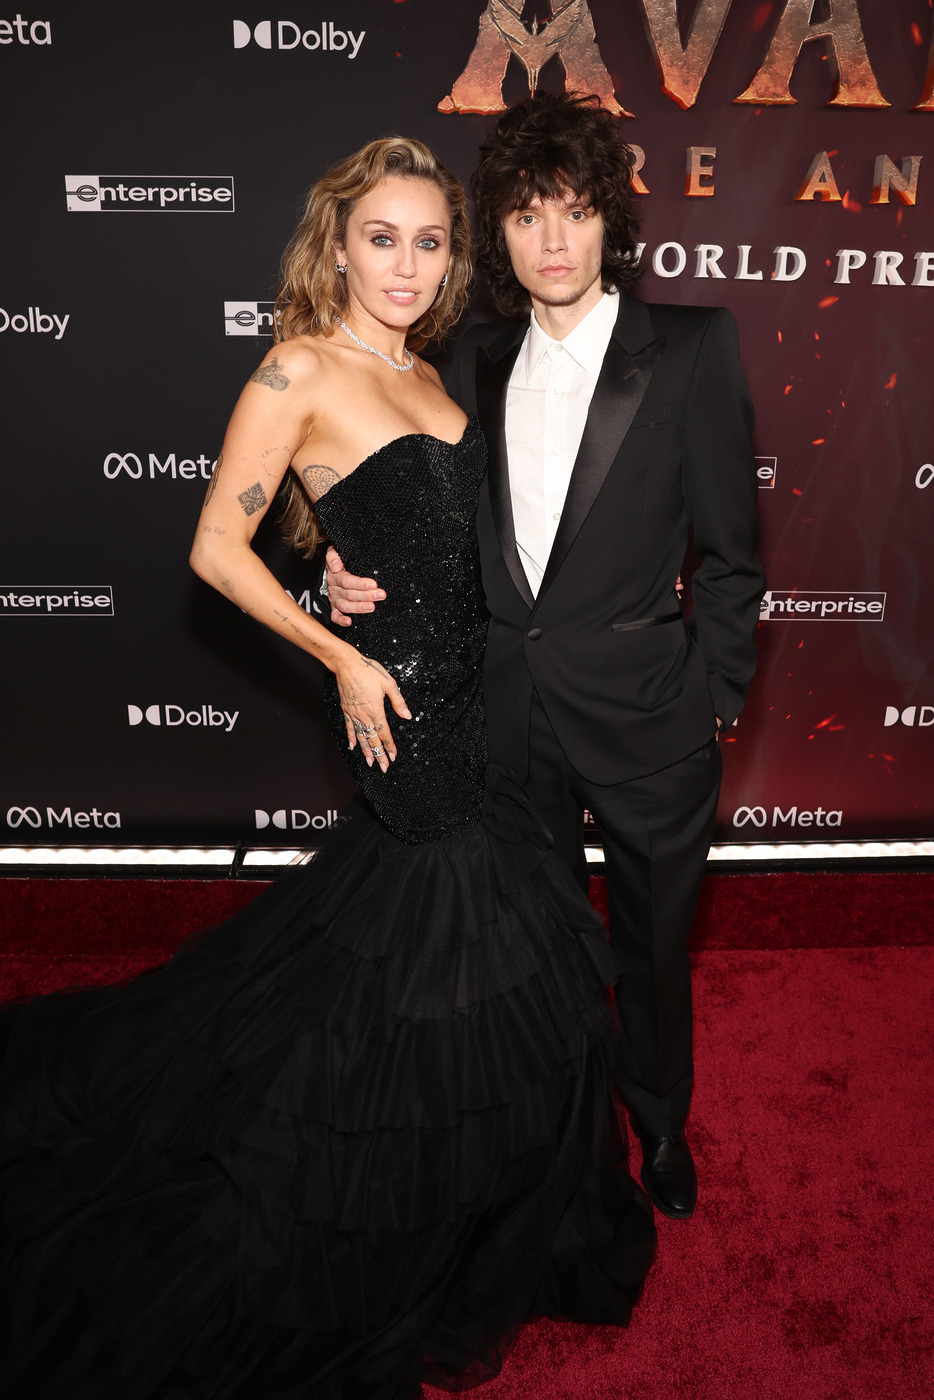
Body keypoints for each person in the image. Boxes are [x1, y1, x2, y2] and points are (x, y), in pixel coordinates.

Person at [0, 137, 656, 1400]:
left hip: (485, 704)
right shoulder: (297, 365)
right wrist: (337, 652)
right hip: (399, 708)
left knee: (486, 956)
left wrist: (333, 576)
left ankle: (484, 1202)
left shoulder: (431, 369)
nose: (406, 264)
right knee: (447, 960)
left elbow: (411, 537)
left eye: (429, 241)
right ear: (337, 246)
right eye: (381, 238)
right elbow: (214, 545)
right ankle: (398, 1216)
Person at [326, 93, 767, 1221]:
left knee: (652, 948)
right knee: (531, 945)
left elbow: (731, 553)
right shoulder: (469, 356)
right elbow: (409, 509)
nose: (553, 240)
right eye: (526, 216)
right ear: (501, 235)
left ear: (608, 219)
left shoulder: (692, 346)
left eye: (573, 211)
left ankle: (658, 1120)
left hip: (649, 720)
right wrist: (335, 569)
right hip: (507, 716)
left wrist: (713, 699)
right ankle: (556, 1127)